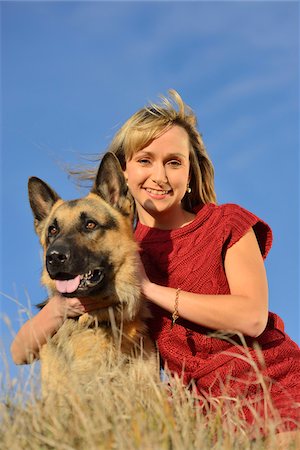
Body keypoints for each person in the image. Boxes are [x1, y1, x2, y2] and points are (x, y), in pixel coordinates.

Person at [11, 90, 299, 440]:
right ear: (124, 174)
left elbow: (252, 318)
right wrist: (60, 305)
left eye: (174, 162)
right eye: (145, 160)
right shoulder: (118, 252)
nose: (159, 175)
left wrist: (150, 289)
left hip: (271, 384)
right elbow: (21, 352)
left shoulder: (226, 223)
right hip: (201, 410)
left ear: (191, 173)